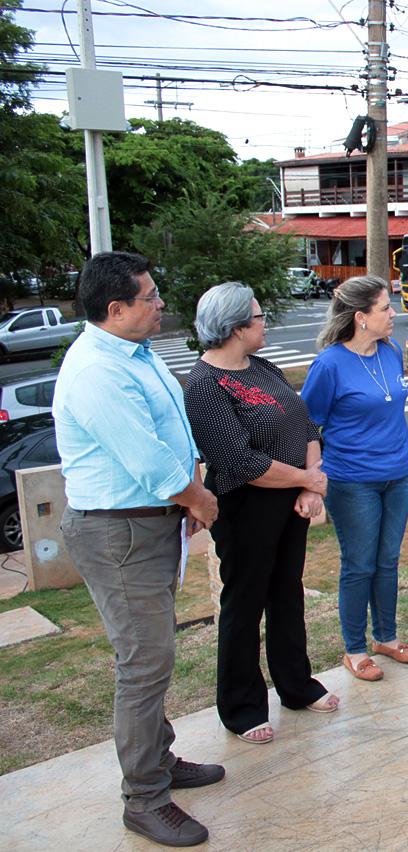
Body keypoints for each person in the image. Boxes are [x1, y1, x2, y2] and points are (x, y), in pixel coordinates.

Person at [53, 251, 224, 847]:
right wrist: (199, 499)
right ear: (115, 308)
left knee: (153, 654)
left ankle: (159, 760)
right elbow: (147, 459)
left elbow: (171, 429)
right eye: (149, 297)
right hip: (117, 532)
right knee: (144, 663)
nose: (160, 304)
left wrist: (187, 493)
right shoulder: (97, 370)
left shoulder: (135, 353)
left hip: (147, 524)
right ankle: (145, 799)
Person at [185, 282, 339, 747]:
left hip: (291, 499)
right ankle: (241, 707)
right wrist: (306, 479)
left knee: (287, 594)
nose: (265, 323)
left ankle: (296, 685)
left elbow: (305, 424)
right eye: (258, 317)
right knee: (245, 603)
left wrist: (310, 483)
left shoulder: (262, 367)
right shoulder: (204, 385)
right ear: (235, 328)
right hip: (246, 506)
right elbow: (239, 461)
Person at [301, 276, 408, 682]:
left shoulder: (390, 352)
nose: (393, 314)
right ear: (360, 317)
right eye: (385, 308)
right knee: (359, 565)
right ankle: (354, 649)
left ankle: (386, 637)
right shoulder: (329, 364)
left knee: (388, 560)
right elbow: (308, 424)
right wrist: (311, 479)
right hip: (352, 481)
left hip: (398, 475)